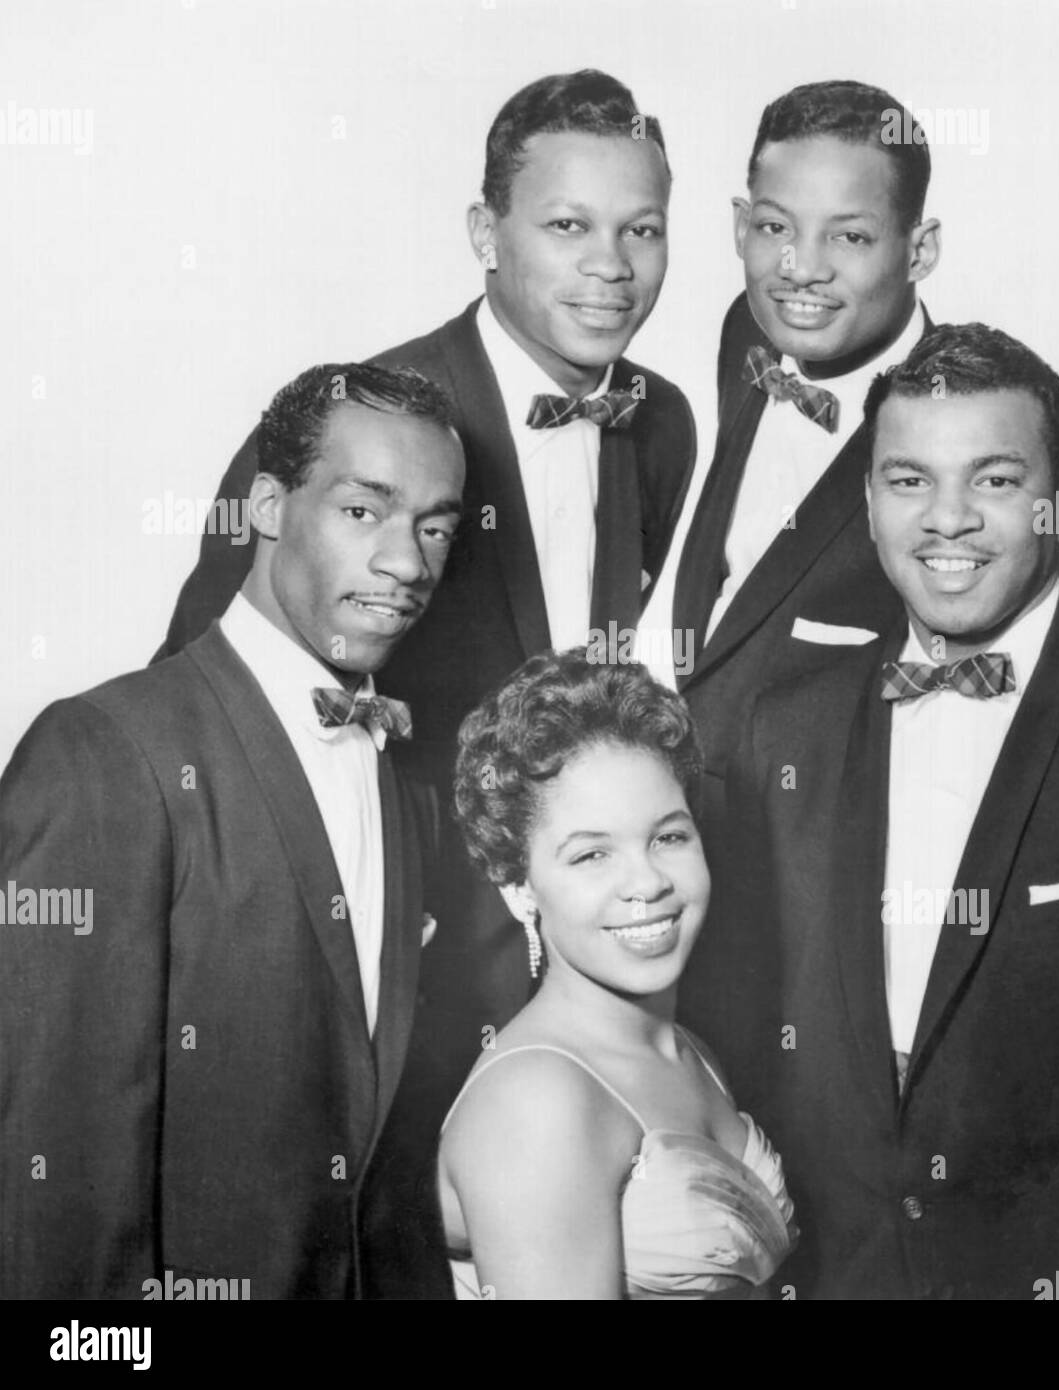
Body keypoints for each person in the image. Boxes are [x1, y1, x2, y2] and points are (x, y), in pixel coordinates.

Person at [699, 323, 1059, 1299]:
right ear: (870, 503)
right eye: (909, 480)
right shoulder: (782, 726)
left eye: (995, 480)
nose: (947, 519)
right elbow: (742, 1046)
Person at [155, 68, 696, 1099]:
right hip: (399, 971)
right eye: (569, 226)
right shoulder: (362, 424)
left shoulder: (660, 420)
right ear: (485, 234)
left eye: (642, 230)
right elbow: (205, 718)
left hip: (599, 967)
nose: (611, 268)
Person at [0, 363, 465, 1299]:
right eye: (363, 511)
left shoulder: (410, 772)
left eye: (435, 526)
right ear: (265, 506)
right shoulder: (104, 751)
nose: (408, 562)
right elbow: (54, 1177)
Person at [669, 80, 1059, 790]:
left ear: (919, 250)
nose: (801, 268)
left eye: (850, 236)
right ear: (740, 226)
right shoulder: (746, 332)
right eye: (776, 227)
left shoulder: (989, 429)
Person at [436, 651, 798, 1300]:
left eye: (668, 837)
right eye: (591, 854)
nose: (647, 882)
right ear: (518, 885)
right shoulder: (537, 1100)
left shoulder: (687, 1050)